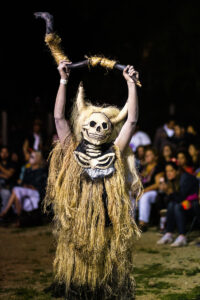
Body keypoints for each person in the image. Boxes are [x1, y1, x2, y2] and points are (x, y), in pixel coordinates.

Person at [41, 48, 144, 299]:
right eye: (92, 125)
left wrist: (131, 84)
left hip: (108, 225)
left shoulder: (115, 152)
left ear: (109, 131)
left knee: (106, 278)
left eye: (103, 126)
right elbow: (58, 118)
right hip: (78, 227)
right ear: (83, 128)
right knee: (80, 279)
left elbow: (130, 121)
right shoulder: (71, 151)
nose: (98, 129)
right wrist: (64, 80)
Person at [157, 161, 200, 247]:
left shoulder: (185, 178)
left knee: (177, 206)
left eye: (171, 171)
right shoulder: (173, 180)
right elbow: (169, 201)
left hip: (194, 205)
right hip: (185, 204)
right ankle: (169, 233)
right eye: (167, 171)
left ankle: (182, 236)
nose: (168, 173)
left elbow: (182, 198)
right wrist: (165, 192)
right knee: (171, 205)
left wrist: (169, 192)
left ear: (177, 171)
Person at [0, 151, 47, 223]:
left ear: (38, 159)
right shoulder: (28, 170)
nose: (30, 159)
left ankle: (6, 212)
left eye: (32, 157)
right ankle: (19, 218)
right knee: (16, 191)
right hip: (25, 191)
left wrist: (34, 187)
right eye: (30, 156)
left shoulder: (42, 171)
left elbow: (44, 186)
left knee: (16, 190)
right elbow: (23, 182)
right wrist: (25, 185)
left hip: (36, 193)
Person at [138, 147, 164, 231]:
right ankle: (129, 222)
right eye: (146, 155)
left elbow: (157, 184)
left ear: (155, 156)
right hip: (143, 191)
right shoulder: (144, 168)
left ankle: (143, 223)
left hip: (155, 192)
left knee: (145, 196)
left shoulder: (158, 167)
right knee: (130, 195)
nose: (147, 156)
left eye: (149, 155)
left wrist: (144, 191)